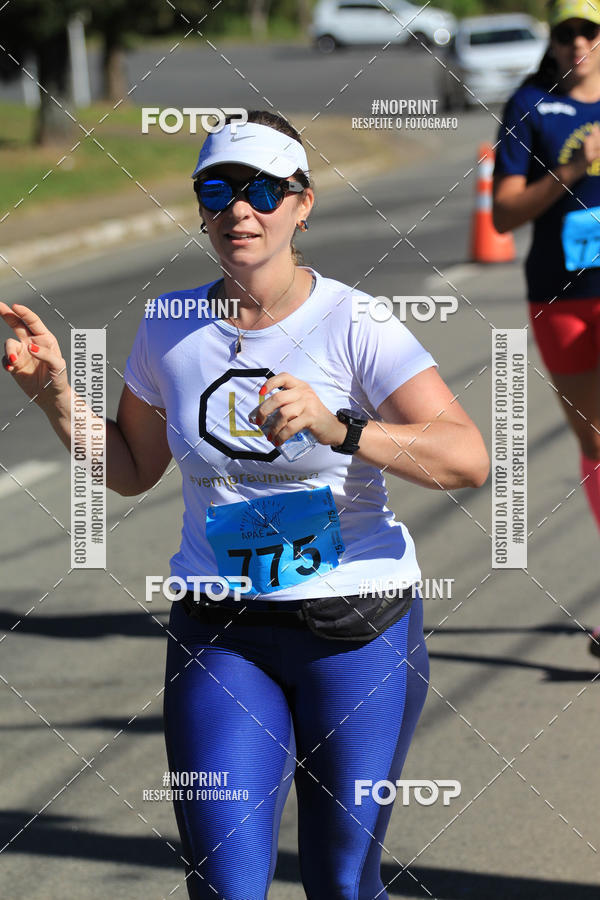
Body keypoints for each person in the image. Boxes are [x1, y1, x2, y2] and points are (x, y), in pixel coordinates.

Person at [1, 109, 489, 899]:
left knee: (341, 880)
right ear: (200, 207)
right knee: (224, 884)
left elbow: (466, 457)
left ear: (303, 203)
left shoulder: (355, 322)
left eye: (263, 190)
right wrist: (56, 394)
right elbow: (131, 469)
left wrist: (341, 427)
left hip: (355, 630)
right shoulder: (169, 326)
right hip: (220, 634)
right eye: (218, 190)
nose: (240, 209)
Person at [493, 0, 600, 657]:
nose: (579, 44)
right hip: (559, 296)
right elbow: (504, 215)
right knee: (596, 445)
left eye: (591, 31)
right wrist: (572, 171)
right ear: (553, 42)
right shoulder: (531, 104)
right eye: (567, 33)